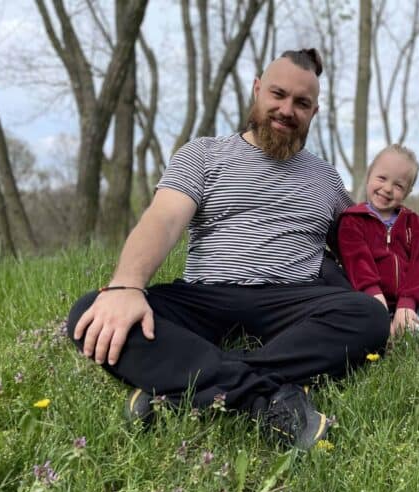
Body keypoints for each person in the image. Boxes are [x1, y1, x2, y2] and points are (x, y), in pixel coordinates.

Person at [66, 49, 390, 450]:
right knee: (90, 312)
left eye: (301, 103)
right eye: (278, 94)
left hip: (290, 305)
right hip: (204, 298)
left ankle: (178, 385)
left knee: (369, 317)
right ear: (257, 90)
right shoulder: (203, 154)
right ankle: (266, 399)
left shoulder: (325, 177)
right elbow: (163, 219)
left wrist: (406, 294)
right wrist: (127, 285)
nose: (287, 109)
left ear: (314, 112)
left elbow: (360, 243)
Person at [336, 144, 419, 338]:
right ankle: (381, 324)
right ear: (369, 175)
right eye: (382, 178)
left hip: (410, 301)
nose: (387, 189)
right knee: (335, 279)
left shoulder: (414, 224)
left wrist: (407, 302)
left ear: (407, 192)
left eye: (398, 185)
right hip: (369, 299)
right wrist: (375, 301)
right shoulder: (352, 220)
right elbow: (358, 262)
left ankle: (412, 323)